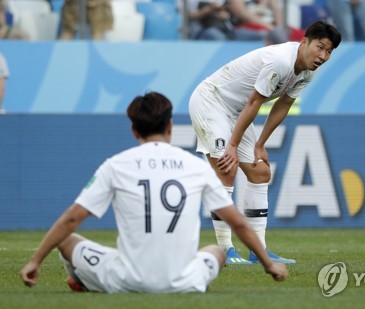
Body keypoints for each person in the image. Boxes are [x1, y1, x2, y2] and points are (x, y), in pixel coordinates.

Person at [19, 92, 288, 293]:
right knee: (217, 252)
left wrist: (34, 261)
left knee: (68, 241)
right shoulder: (196, 167)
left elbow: (71, 218)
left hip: (125, 279)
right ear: (170, 128)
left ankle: (82, 281)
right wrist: (268, 264)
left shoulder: (116, 165)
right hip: (185, 282)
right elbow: (237, 222)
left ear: (134, 130)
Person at [189, 20, 341, 264]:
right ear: (304, 42)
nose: (323, 56)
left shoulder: (309, 71)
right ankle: (225, 250)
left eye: (329, 51)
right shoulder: (281, 61)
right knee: (226, 168)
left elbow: (283, 105)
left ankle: (258, 249)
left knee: (260, 172)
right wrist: (233, 146)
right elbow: (254, 103)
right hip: (212, 101)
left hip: (236, 111)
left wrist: (260, 145)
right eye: (320, 47)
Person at [177, 0, 265, 41]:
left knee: (262, 36)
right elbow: (185, 16)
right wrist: (207, 10)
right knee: (218, 37)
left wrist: (225, 13)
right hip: (200, 30)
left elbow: (225, 10)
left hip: (226, 28)